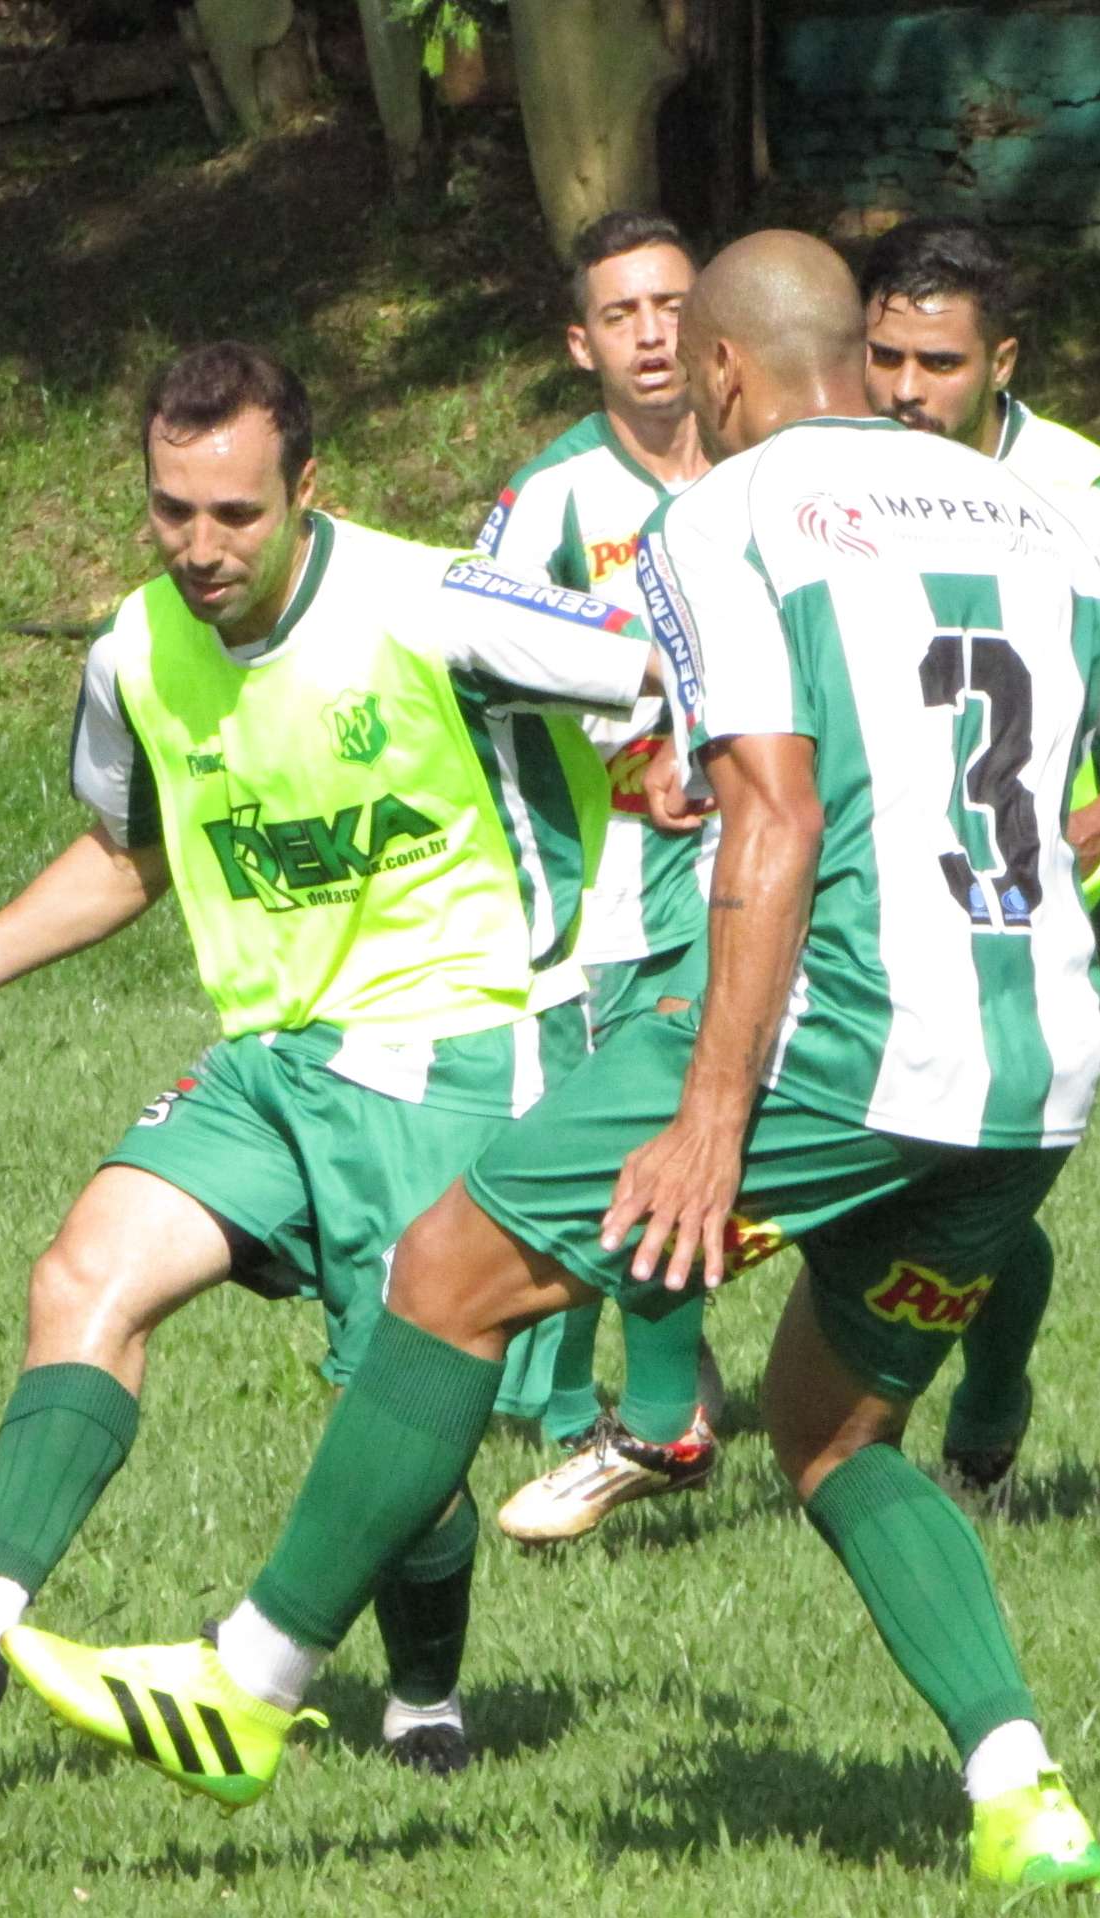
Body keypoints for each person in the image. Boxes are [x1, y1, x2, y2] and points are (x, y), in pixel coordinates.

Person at [5, 234, 1100, 1890]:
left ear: (723, 374)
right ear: (860, 358)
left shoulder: (722, 515)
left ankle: (247, 1683)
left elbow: (777, 815)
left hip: (848, 1040)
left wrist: (708, 1121)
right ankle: (1021, 1789)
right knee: (827, 1430)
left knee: (447, 1274)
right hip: (1038, 1082)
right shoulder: (1052, 516)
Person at [0, 341, 663, 1778]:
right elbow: (130, 857)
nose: (201, 547)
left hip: (452, 1048)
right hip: (267, 1058)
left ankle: (426, 1696)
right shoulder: (135, 651)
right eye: (173, 510)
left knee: (399, 1427)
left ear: (308, 487)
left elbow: (663, 674)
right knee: (82, 1274)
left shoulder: (427, 603)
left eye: (236, 513)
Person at [857, 216, 1100, 1499]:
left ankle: (974, 1392)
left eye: (941, 364)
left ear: (1004, 360)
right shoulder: (838, 478)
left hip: (1038, 909)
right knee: (890, 1188)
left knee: (973, 1194)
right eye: (886, 357)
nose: (907, 392)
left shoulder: (1091, 495)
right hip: (870, 900)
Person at [476, 210, 724, 1545]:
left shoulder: (766, 464)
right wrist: (628, 743)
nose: (651, 333)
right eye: (622, 313)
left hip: (763, 863)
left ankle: (625, 1398)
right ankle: (582, 1405)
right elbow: (484, 652)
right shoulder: (555, 497)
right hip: (619, 881)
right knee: (626, 1143)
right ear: (583, 342)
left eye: (672, 304)